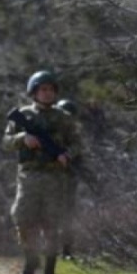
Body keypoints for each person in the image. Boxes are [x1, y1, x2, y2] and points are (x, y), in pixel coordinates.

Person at [2, 71, 81, 274]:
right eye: (42, 89)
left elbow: (77, 143)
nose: (47, 94)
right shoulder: (23, 115)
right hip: (28, 176)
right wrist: (22, 138)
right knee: (22, 217)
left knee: (52, 225)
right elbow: (6, 141)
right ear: (34, 92)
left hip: (55, 177)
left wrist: (67, 155)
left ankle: (49, 272)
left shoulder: (64, 118)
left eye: (50, 90)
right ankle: (30, 257)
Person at [55, 98, 82, 259]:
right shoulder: (51, 131)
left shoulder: (74, 136)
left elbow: (78, 154)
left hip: (68, 179)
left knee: (67, 215)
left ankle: (66, 250)